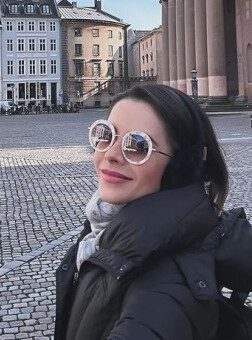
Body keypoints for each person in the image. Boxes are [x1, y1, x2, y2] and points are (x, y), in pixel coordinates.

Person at [55, 84, 252, 339]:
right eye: (106, 134)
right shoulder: (108, 229)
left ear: (182, 166)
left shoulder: (166, 289)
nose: (110, 154)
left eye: (138, 144)